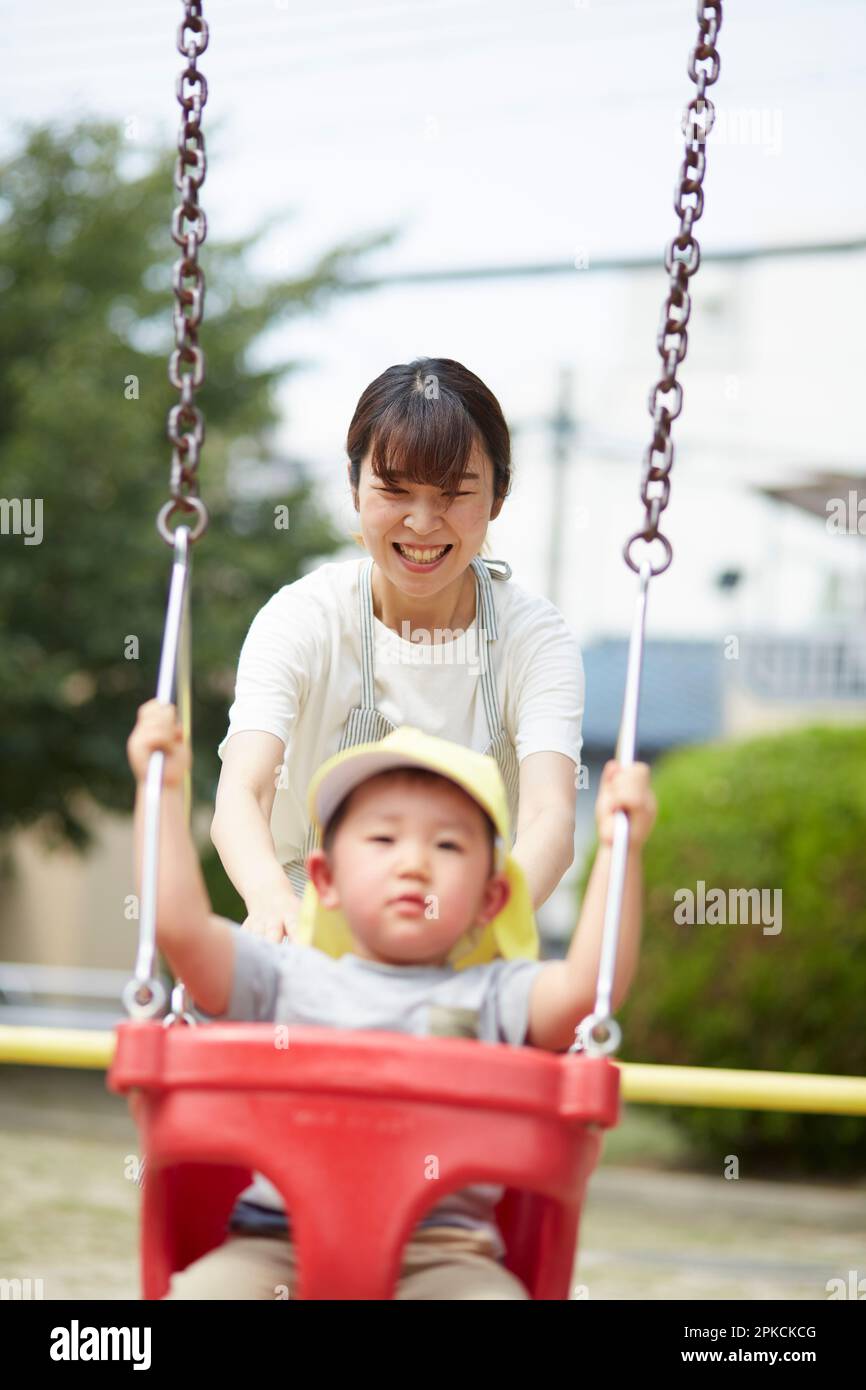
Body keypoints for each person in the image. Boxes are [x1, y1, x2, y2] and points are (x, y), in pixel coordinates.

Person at [127, 701, 656, 1300]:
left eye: (449, 846)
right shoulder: (282, 978)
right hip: (276, 1247)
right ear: (324, 880)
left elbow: (587, 989)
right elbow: (181, 929)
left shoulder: (496, 996)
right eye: (382, 837)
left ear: (492, 898)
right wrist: (161, 792)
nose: (413, 864)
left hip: (443, 1257)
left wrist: (620, 848)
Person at [210, 356, 586, 945]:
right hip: (304, 927)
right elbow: (242, 790)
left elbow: (550, 819)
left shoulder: (533, 637)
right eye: (393, 490)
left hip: (469, 937)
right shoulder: (303, 616)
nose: (421, 522)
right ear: (355, 487)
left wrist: (479, 933)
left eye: (455, 494)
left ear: (497, 497)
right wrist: (270, 905)